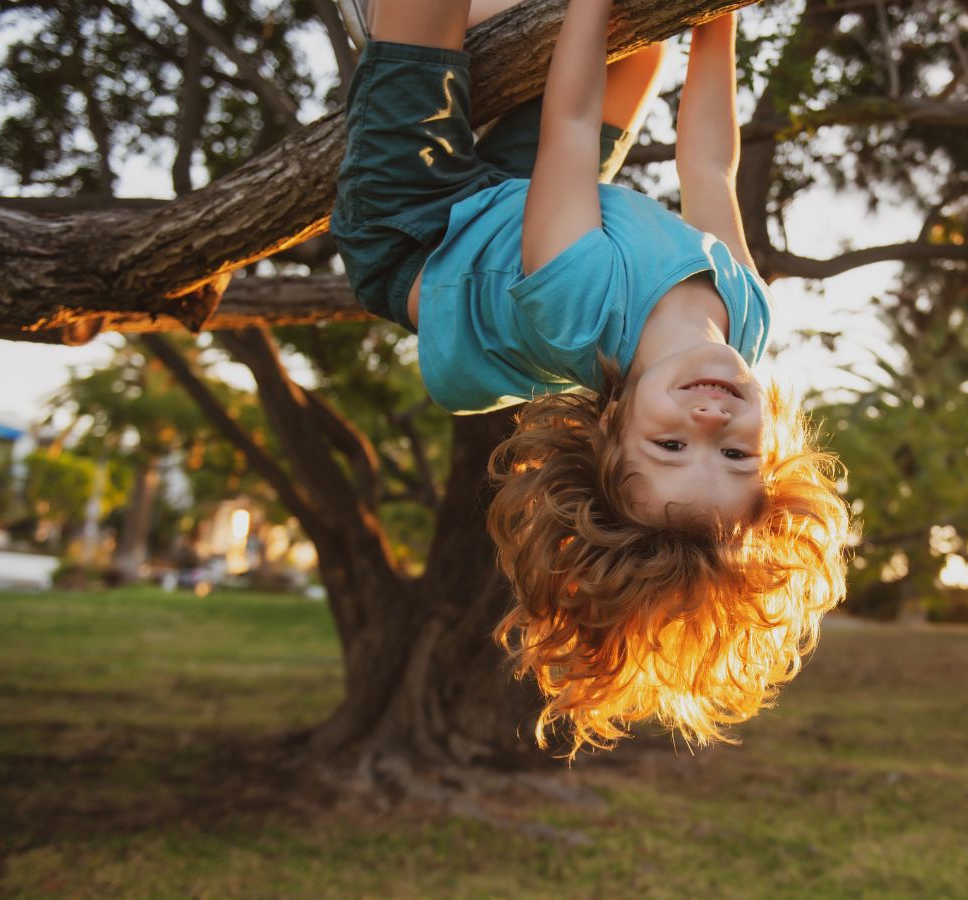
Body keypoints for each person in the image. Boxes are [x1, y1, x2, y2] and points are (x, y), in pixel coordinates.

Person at [332, 0, 851, 756]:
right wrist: (717, 18)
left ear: (613, 427)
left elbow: (571, 127)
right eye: (736, 456)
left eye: (670, 447)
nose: (709, 424)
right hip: (523, 202)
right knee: (639, 50)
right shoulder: (749, 316)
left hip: (414, 226)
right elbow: (709, 163)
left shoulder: (578, 309)